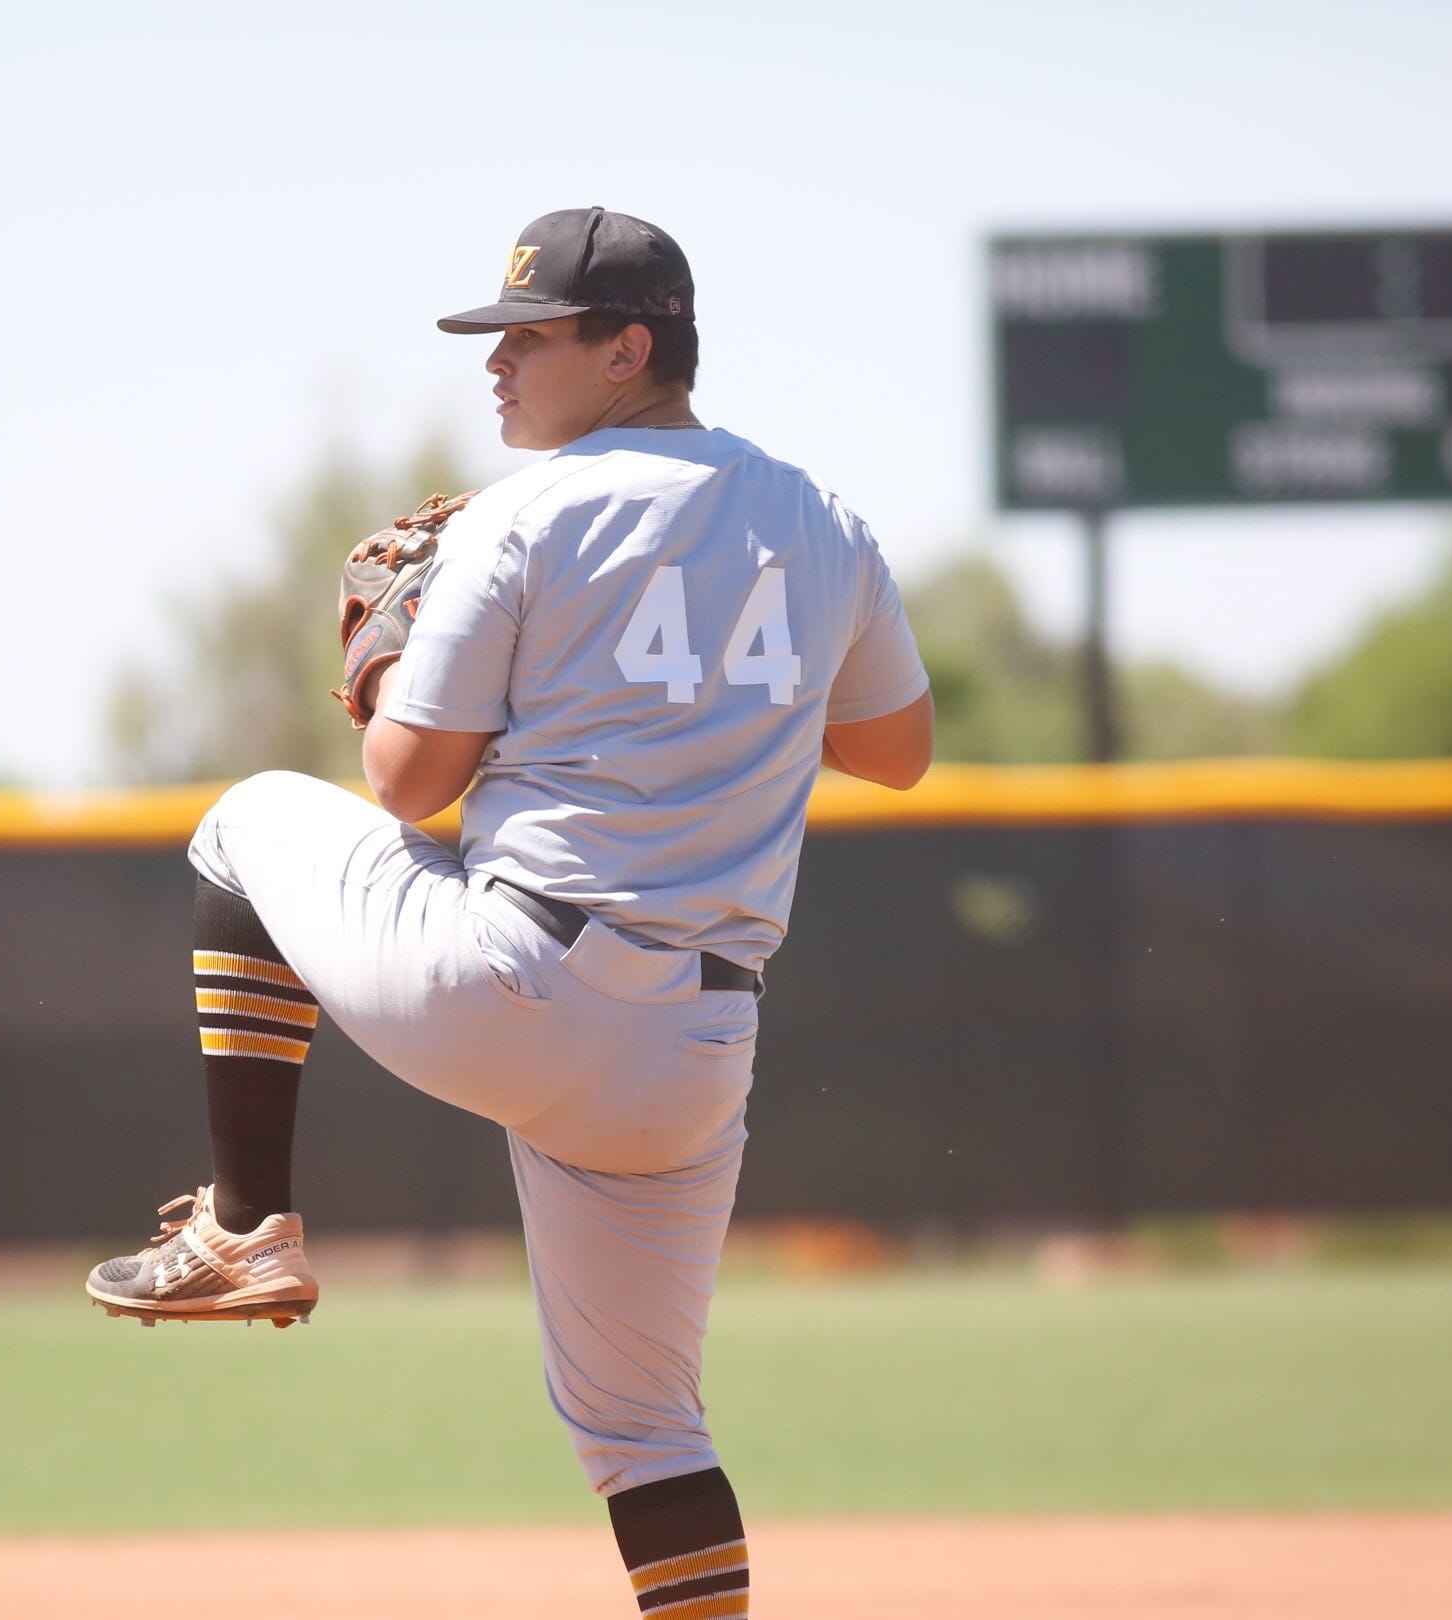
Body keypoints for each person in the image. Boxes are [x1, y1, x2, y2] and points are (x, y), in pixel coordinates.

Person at [86, 205, 933, 1616]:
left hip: (514, 980)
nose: (496, 366)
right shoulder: (821, 517)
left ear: (631, 349)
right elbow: (898, 753)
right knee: (648, 1432)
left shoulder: (522, 516)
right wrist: (737, 695)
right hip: (694, 1056)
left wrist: (384, 663)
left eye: (528, 340)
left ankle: (245, 1226)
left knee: (242, 825)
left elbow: (406, 782)